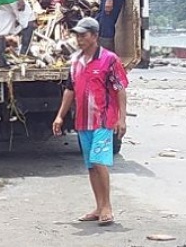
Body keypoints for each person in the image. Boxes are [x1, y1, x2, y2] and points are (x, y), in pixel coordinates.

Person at [52, 17, 128, 226]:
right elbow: (70, 90)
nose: (79, 39)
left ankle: (107, 207)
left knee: (98, 160)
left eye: (83, 35)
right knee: (91, 165)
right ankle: (98, 206)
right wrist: (60, 116)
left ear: (95, 36)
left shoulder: (109, 60)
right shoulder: (75, 60)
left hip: (103, 119)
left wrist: (121, 118)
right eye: (77, 35)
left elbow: (120, 89)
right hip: (83, 121)